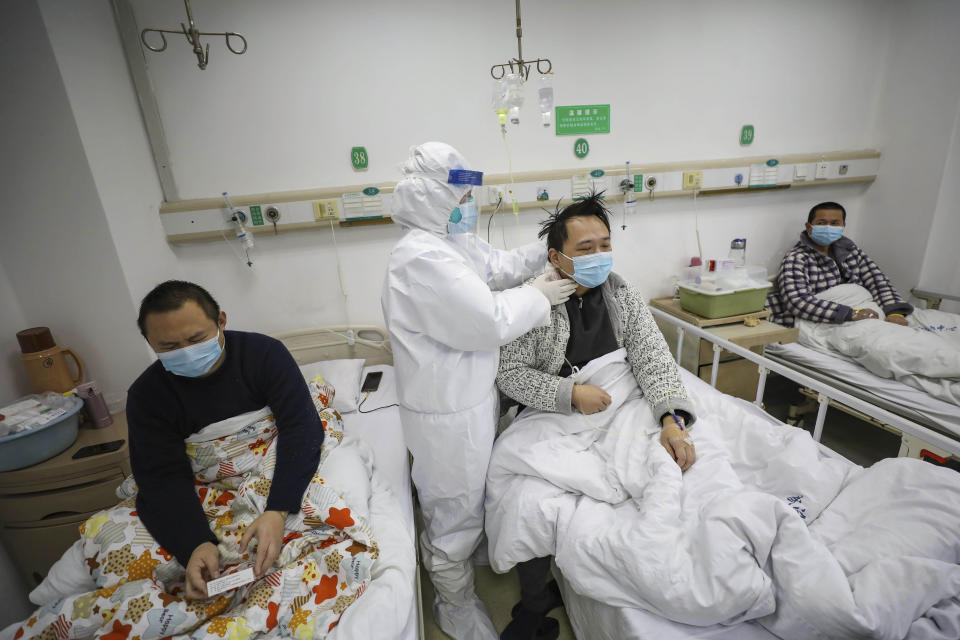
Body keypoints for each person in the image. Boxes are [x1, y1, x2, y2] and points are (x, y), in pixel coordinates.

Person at [381, 142, 575, 639]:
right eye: (461, 194)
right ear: (430, 197)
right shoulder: (418, 258)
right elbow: (487, 321)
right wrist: (540, 294)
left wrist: (553, 243)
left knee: (476, 491)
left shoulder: (450, 241)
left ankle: (474, 552)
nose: (471, 204)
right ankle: (455, 603)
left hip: (470, 396)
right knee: (452, 511)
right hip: (444, 411)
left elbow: (500, 266)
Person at [495, 193, 698, 640]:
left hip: (626, 399)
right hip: (556, 412)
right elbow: (509, 374)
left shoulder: (621, 293)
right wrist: (569, 393)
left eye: (605, 245)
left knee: (670, 467)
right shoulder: (532, 303)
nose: (599, 256)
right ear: (557, 256)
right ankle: (532, 606)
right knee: (527, 496)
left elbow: (654, 360)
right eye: (585, 249)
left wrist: (670, 419)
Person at [127, 280, 324, 600]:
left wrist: (277, 509)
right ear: (150, 343)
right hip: (205, 481)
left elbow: (301, 428)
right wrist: (194, 543)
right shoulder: (146, 396)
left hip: (275, 461)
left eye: (196, 339)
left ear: (221, 321)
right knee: (118, 547)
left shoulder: (264, 354)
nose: (186, 353)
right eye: (169, 347)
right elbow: (161, 476)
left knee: (324, 514)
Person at [767, 201, 913, 327]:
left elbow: (877, 281)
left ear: (843, 226)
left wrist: (895, 313)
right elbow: (797, 302)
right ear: (809, 227)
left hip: (865, 310)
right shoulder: (797, 258)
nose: (828, 227)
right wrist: (850, 313)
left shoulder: (851, 251)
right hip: (830, 319)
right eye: (822, 223)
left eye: (835, 223)